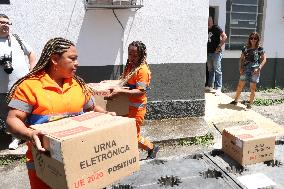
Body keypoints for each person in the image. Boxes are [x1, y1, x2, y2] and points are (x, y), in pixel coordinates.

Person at [6, 37, 115, 189]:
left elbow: (92, 108)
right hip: (45, 165)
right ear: (55, 59)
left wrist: (106, 115)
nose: (77, 63)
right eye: (72, 59)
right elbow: (13, 119)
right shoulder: (29, 86)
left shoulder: (78, 84)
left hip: (80, 161)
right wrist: (30, 134)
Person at [107, 41, 159, 159]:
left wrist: (120, 91)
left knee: (132, 135)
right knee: (125, 132)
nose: (132, 57)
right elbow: (124, 83)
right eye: (130, 54)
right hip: (126, 107)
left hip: (137, 108)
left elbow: (141, 91)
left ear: (141, 55)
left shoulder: (142, 70)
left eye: (135, 55)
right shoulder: (130, 66)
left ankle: (151, 148)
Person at [0, 13, 36, 150]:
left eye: (8, 23)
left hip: (21, 87)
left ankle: (29, 134)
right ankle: (15, 137)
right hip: (2, 89)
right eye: (2, 22)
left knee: (25, 112)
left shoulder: (16, 39)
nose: (5, 25)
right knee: (6, 114)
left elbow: (31, 53)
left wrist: (32, 70)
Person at [230, 32, 267, 109]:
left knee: (252, 88)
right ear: (249, 39)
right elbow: (241, 59)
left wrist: (259, 68)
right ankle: (235, 100)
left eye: (255, 38)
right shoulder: (245, 48)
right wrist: (240, 68)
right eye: (251, 38)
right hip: (245, 69)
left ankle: (250, 104)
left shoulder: (260, 49)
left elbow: (264, 59)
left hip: (255, 70)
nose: (253, 40)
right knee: (240, 86)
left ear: (258, 39)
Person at [206, 16, 227, 96]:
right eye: (207, 21)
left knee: (217, 70)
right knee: (210, 70)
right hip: (208, 53)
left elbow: (225, 36)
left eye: (210, 21)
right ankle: (210, 86)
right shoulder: (205, 29)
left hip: (216, 53)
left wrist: (219, 46)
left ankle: (218, 88)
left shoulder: (216, 28)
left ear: (212, 21)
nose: (208, 22)